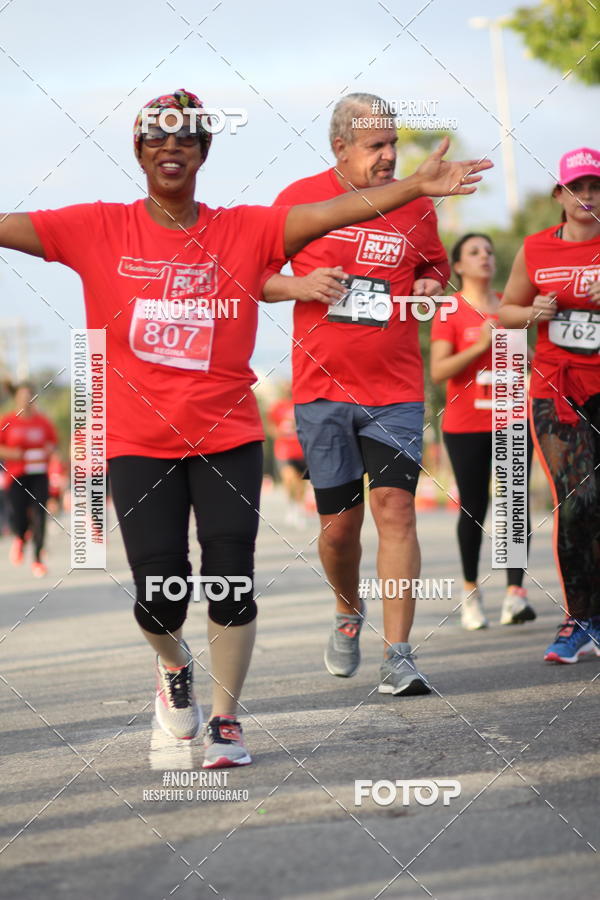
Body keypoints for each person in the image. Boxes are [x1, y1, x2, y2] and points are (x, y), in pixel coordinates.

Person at [0, 88, 490, 766]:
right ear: (139, 152)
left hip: (230, 433)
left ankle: (228, 718)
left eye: (187, 137)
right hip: (139, 441)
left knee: (232, 578)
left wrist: (413, 185)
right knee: (157, 594)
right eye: (157, 137)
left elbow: (337, 210)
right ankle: (174, 668)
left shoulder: (246, 229)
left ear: (203, 152)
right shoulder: (96, 227)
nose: (171, 146)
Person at [263, 93, 465, 695]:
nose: (387, 158)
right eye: (375, 147)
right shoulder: (300, 200)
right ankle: (347, 611)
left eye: (392, 145)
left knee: (396, 511)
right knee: (340, 529)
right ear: (340, 148)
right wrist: (301, 284)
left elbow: (435, 268)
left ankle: (399, 654)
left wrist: (430, 283)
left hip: (396, 389)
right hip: (322, 392)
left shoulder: (414, 204)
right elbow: (252, 276)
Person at [499, 146, 600, 664]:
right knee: (579, 500)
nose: (586, 197)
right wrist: (533, 310)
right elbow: (504, 313)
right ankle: (578, 618)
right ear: (559, 194)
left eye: (595, 187)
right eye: (576, 188)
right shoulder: (536, 248)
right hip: (557, 390)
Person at [431, 233, 535, 630]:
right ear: (458, 265)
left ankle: (515, 594)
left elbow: (537, 364)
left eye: (490, 251)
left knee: (513, 504)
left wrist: (527, 356)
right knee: (474, 506)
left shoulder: (512, 308)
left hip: (511, 416)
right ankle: (471, 593)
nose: (485, 257)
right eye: (474, 252)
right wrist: (480, 346)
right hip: (466, 423)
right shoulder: (449, 310)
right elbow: (439, 371)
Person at [0, 381, 57, 576]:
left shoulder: (42, 422)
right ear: (16, 399)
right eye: (22, 397)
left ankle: (38, 559)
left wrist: (50, 449)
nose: (26, 401)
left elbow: (53, 443)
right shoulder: (8, 421)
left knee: (40, 515)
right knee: (18, 515)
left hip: (39, 473)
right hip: (16, 475)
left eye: (29, 397)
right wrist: (11, 453)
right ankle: (20, 537)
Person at [267, 383, 308, 527]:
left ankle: (299, 507)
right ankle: (291, 505)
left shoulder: (302, 405)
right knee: (289, 478)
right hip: (284, 450)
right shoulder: (277, 407)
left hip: (302, 449)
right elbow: (270, 424)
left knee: (301, 482)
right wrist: (276, 433)